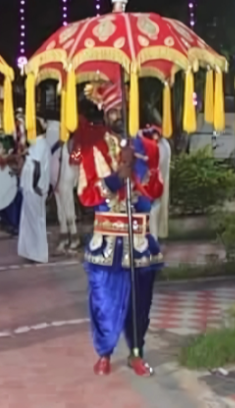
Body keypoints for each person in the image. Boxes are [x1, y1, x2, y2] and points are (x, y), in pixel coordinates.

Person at [73, 79, 163, 377]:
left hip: (138, 237)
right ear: (103, 110)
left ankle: (136, 352)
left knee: (140, 300)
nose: (118, 113)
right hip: (107, 238)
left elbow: (155, 190)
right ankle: (104, 352)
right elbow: (86, 193)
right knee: (103, 299)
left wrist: (137, 168)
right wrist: (115, 178)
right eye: (112, 108)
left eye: (122, 106)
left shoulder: (147, 146)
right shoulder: (92, 146)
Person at [18, 131, 50, 263]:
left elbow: (37, 166)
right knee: (29, 220)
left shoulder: (40, 143)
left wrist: (35, 185)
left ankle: (38, 253)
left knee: (36, 220)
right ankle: (30, 251)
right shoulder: (36, 143)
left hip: (34, 188)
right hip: (30, 188)